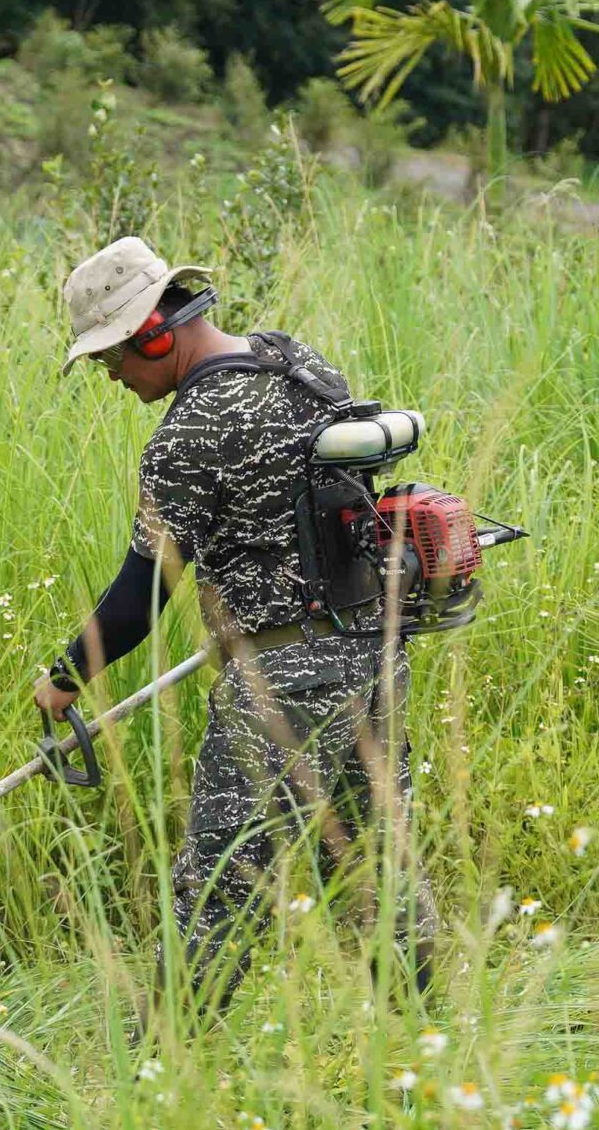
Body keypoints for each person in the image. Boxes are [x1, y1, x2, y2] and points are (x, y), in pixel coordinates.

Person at [40, 235, 437, 1010]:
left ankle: (167, 1074)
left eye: (114, 357)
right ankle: (422, 1043)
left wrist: (63, 680)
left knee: (217, 885)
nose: (113, 377)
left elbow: (139, 596)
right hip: (374, 656)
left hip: (278, 684)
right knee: (378, 865)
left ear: (156, 332)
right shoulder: (301, 363)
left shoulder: (186, 438)